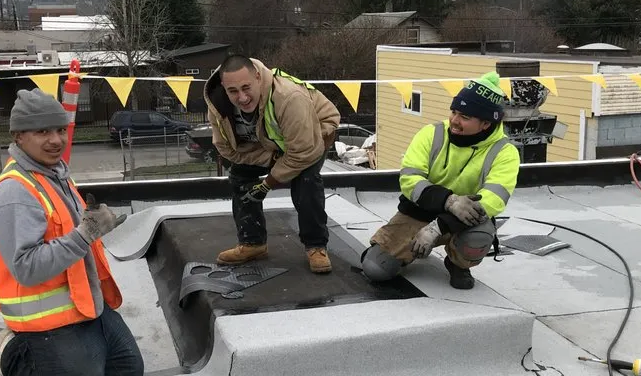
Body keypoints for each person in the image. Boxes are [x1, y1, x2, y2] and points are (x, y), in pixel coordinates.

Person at [0, 88, 143, 376]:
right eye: (42, 132)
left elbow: (68, 234)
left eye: (60, 130)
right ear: (18, 136)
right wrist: (86, 233)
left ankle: (79, 359)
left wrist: (92, 226)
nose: (55, 140)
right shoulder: (14, 195)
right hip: (47, 323)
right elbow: (27, 268)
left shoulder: (54, 174)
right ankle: (11, 356)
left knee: (129, 372)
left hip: (83, 307)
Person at [360, 72, 520, 290]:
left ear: (485, 123)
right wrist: (449, 201)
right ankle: (406, 250)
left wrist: (438, 227)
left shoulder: (505, 152)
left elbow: (493, 200)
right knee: (376, 268)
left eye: (464, 116)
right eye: (454, 111)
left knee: (480, 234)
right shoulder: (432, 134)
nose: (454, 120)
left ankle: (457, 264)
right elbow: (409, 179)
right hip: (419, 212)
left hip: (464, 221)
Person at [204, 55, 341, 274]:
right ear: (224, 87)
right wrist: (272, 159)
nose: (242, 97)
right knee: (240, 177)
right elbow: (227, 150)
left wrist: (269, 181)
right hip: (269, 143)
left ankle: (316, 246)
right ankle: (253, 243)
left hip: (314, 135)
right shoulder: (217, 104)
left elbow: (303, 151)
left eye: (246, 87)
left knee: (306, 181)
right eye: (233, 91)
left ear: (258, 77)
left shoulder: (288, 97)